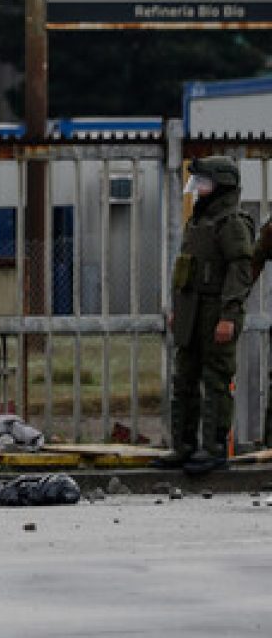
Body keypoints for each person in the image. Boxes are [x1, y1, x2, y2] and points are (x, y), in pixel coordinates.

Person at [151, 156, 254, 475]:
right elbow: (186, 269)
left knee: (216, 380)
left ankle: (213, 449)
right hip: (191, 311)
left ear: (222, 185)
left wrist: (229, 315)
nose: (197, 189)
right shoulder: (198, 221)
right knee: (184, 379)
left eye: (204, 183)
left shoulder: (232, 222)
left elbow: (240, 270)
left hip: (216, 310)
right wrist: (176, 310)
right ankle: (183, 447)